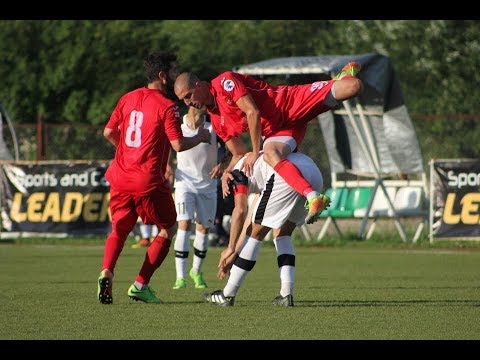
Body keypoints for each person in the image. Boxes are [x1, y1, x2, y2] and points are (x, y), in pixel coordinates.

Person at [173, 62, 362, 225]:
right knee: (271, 153)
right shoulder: (216, 120)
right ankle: (313, 198)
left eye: (188, 95)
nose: (188, 103)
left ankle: (342, 78)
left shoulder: (225, 82)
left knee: (354, 87)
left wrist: (256, 152)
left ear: (198, 85)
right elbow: (238, 153)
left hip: (289, 103)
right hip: (281, 130)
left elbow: (252, 112)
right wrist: (226, 171)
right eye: (183, 100)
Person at [97, 52, 211, 305]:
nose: (176, 74)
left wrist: (127, 153)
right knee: (168, 229)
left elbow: (108, 132)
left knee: (120, 229)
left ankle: (107, 271)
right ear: (162, 76)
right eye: (173, 71)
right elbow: (178, 144)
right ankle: (140, 284)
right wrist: (202, 137)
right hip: (147, 180)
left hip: (120, 176)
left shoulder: (128, 98)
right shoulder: (167, 106)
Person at [203, 150, 325, 307]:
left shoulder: (234, 173)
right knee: (282, 234)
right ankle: (286, 295)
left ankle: (227, 295)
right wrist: (234, 250)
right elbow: (251, 218)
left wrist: (231, 248)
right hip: (312, 172)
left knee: (254, 236)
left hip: (286, 175)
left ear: (224, 169)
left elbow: (240, 211)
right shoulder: (255, 163)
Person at [172, 105, 223, 290]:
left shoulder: (213, 125)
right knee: (184, 223)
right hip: (184, 181)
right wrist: (168, 166)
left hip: (208, 185)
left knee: (203, 229)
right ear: (189, 103)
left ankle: (196, 271)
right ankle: (180, 277)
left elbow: (228, 148)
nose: (202, 105)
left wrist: (221, 164)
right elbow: (167, 145)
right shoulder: (178, 125)